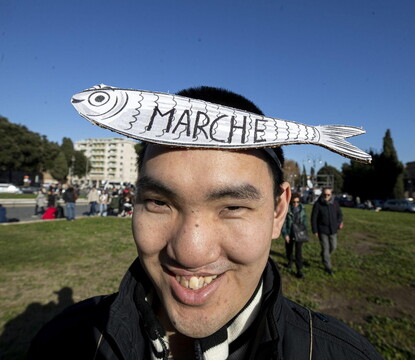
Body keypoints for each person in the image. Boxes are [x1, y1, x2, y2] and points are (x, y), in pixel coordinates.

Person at [28, 87, 382, 359]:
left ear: (278, 213)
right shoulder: (64, 343)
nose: (190, 251)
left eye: (232, 207)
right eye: (158, 202)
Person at [311, 187, 343, 276]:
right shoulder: (318, 204)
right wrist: (315, 230)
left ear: (331, 194)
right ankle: (328, 267)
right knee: (325, 249)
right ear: (322, 194)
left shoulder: (335, 204)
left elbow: (339, 214)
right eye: (324, 194)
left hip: (333, 230)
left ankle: (324, 256)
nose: (326, 196)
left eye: (328, 195)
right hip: (322, 230)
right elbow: (314, 218)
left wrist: (339, 222)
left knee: (333, 247)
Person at [281, 192, 308, 278]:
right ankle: (289, 261)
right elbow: (284, 223)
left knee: (298, 253)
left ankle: (299, 270)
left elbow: (305, 221)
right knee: (289, 250)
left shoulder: (302, 209)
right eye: (294, 202)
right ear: (291, 202)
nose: (296, 204)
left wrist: (304, 231)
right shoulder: (287, 210)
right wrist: (285, 234)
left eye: (297, 202)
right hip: (290, 233)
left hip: (299, 234)